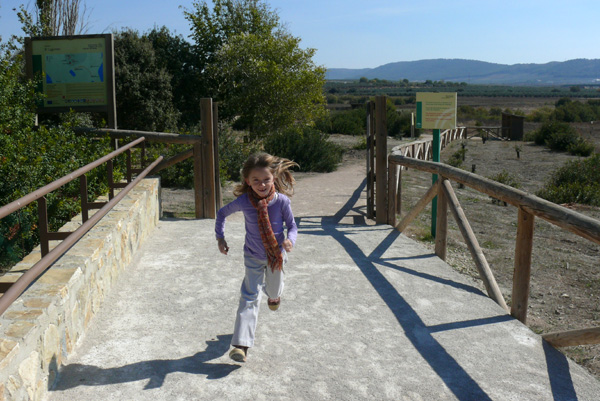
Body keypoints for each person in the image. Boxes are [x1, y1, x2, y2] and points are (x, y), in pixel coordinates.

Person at [215, 153, 298, 363]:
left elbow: (292, 226)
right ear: (247, 181)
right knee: (249, 297)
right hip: (252, 256)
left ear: (274, 178)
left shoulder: (282, 202)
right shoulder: (244, 201)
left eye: (266, 180)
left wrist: (290, 240)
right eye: (256, 180)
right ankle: (241, 345)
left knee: (273, 290)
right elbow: (222, 213)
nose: (262, 185)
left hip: (276, 256)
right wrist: (220, 238)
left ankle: (274, 297)